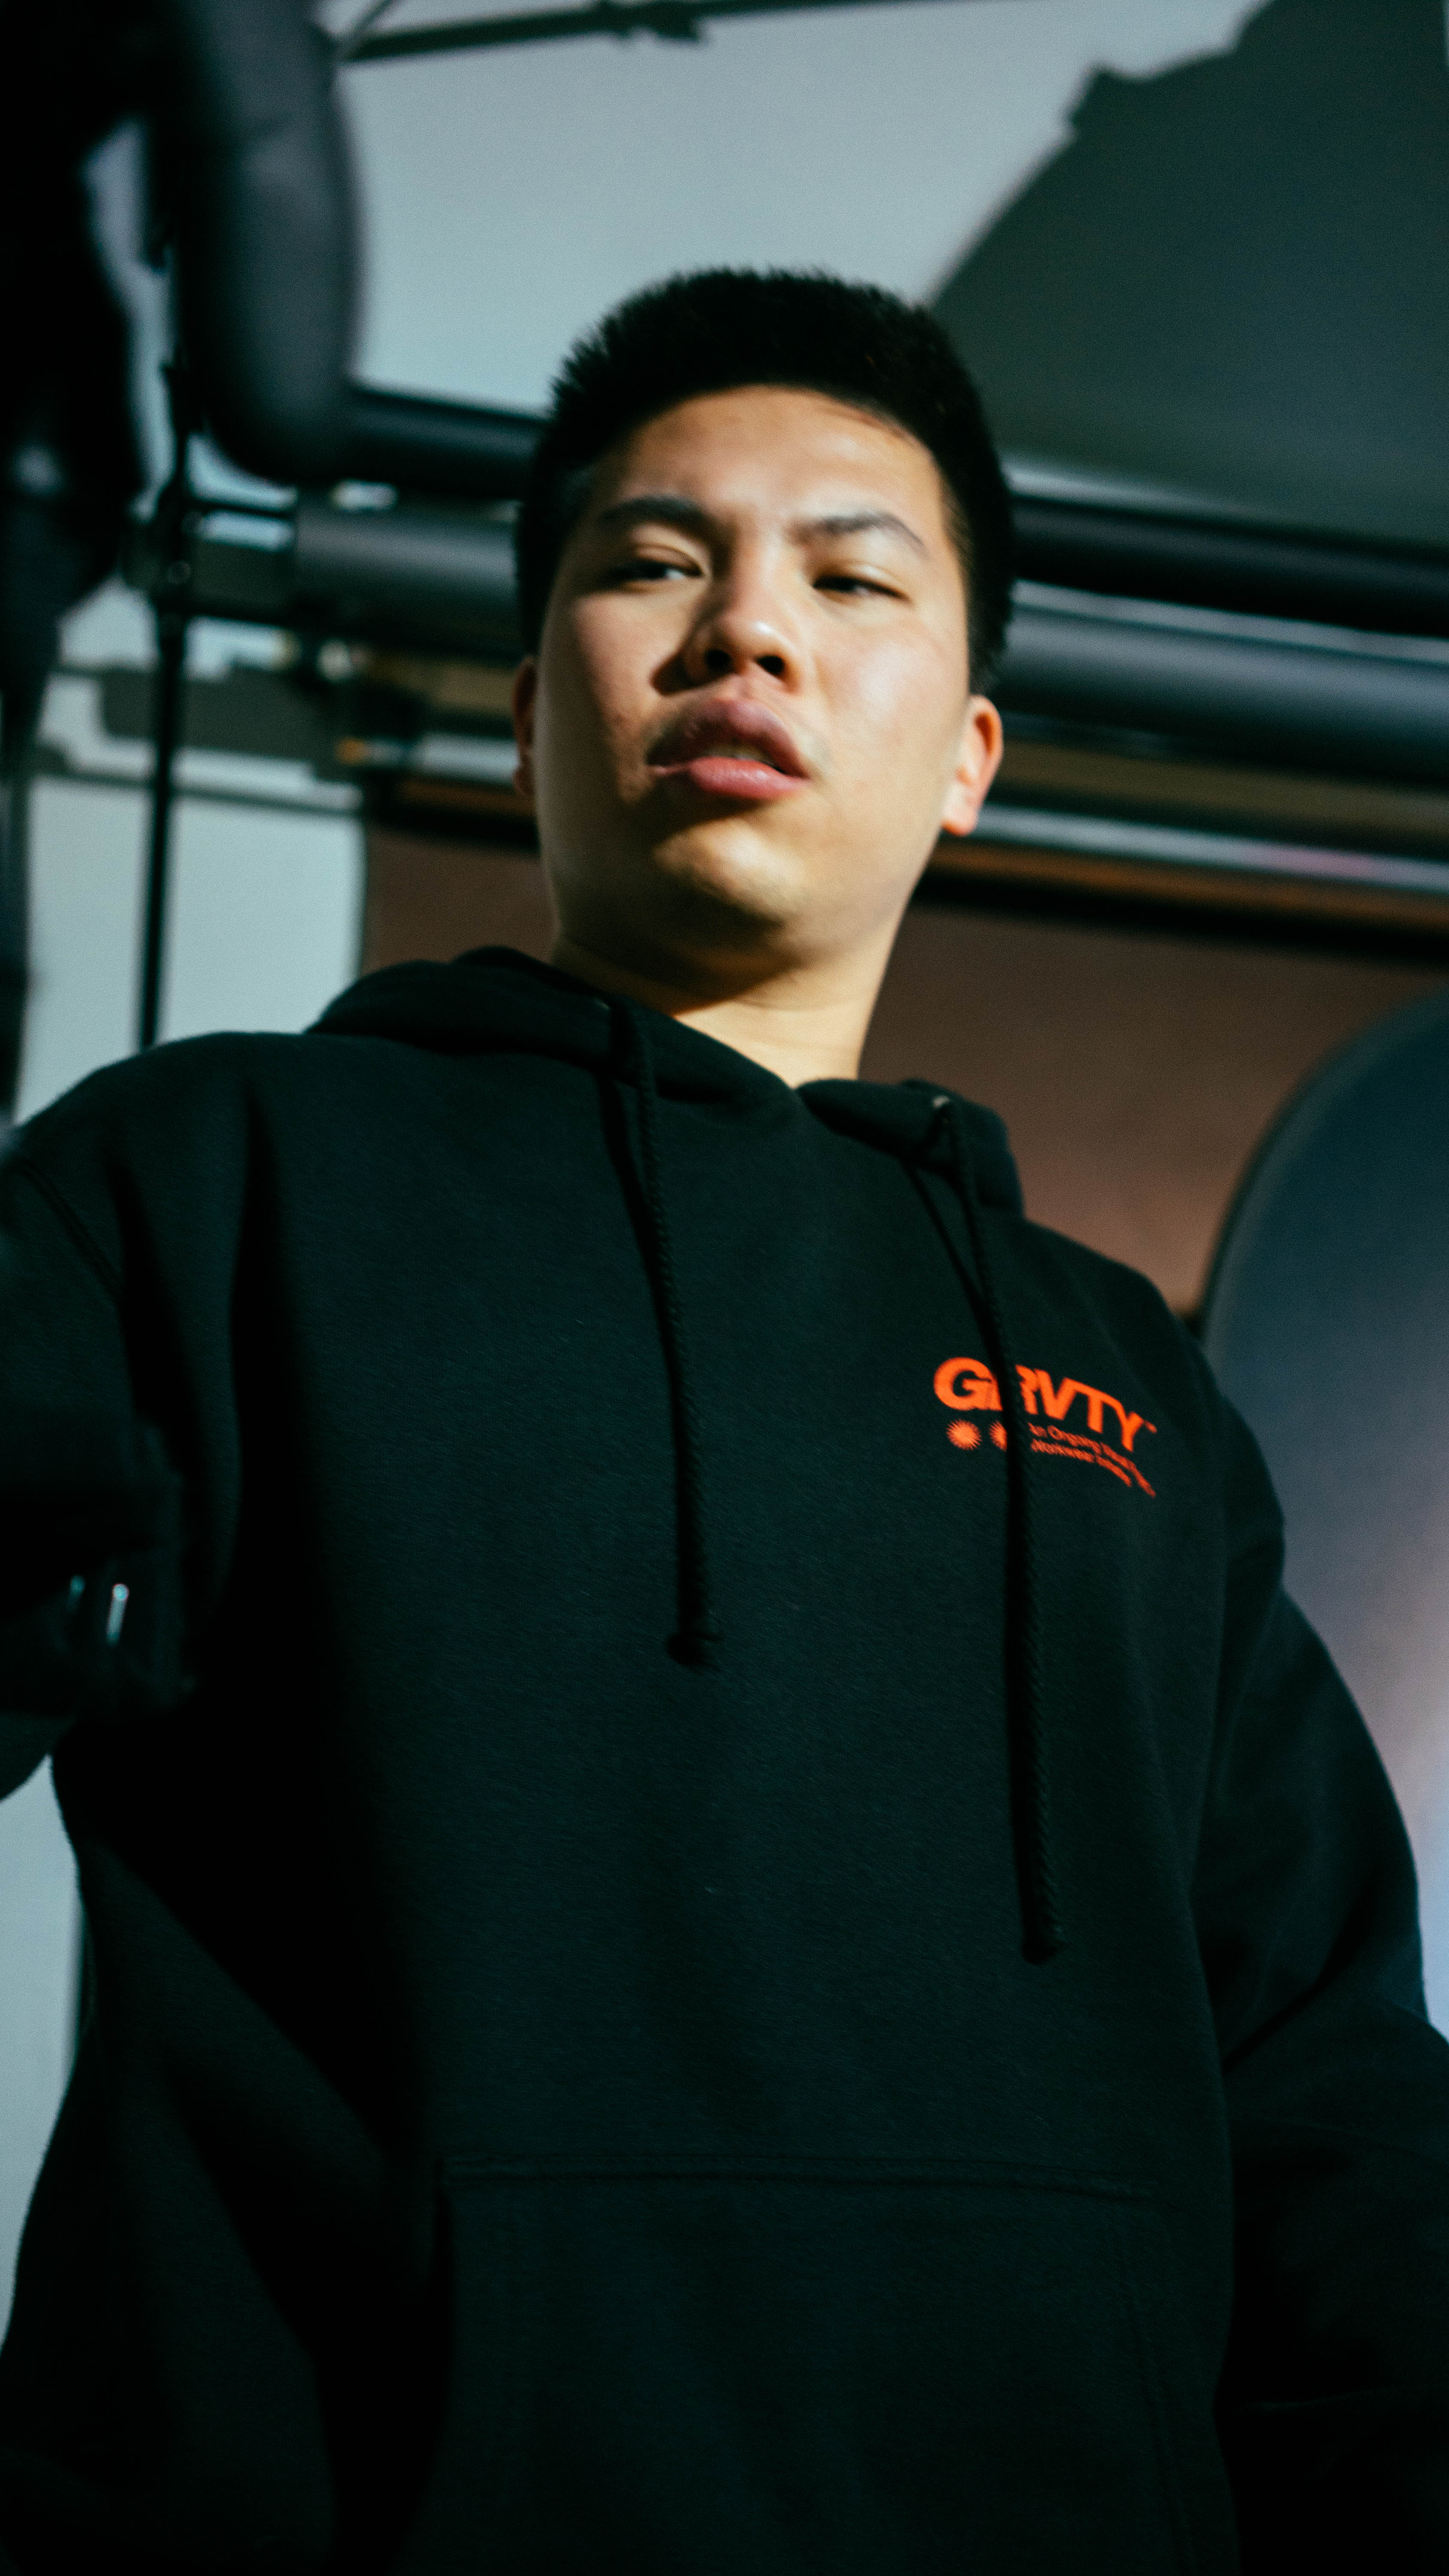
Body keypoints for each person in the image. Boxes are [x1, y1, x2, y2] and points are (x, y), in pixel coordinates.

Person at [0, 267, 1446, 2576]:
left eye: (851, 580)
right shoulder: (206, 1182)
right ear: (525, 714)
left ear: (969, 751)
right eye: (657, 561)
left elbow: (1331, 2101)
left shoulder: (1133, 1386)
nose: (745, 631)